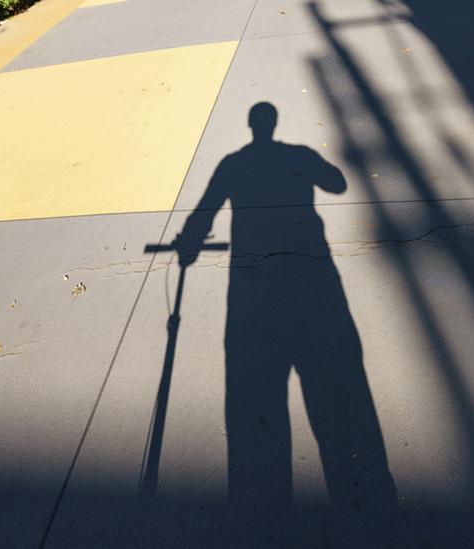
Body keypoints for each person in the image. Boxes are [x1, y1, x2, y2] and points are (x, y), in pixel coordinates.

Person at [175, 102, 399, 545]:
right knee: (338, 377)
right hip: (315, 276)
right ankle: (371, 507)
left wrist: (189, 245)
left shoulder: (233, 163)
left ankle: (261, 513)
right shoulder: (298, 155)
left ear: (251, 124)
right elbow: (336, 183)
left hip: (250, 287)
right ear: (273, 124)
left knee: (253, 389)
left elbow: (205, 211)